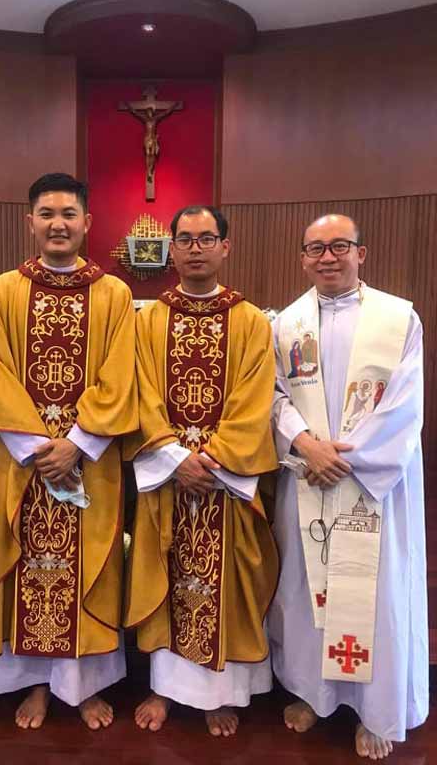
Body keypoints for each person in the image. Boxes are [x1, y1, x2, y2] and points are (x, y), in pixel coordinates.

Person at [0, 173, 138, 731]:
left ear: (87, 222)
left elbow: (121, 378)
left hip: (89, 461)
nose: (57, 224)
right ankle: (35, 684)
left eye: (68, 213)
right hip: (25, 461)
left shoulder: (114, 294)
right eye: (46, 213)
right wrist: (40, 449)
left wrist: (77, 445)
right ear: (30, 221)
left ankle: (81, 687)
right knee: (26, 567)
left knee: (88, 569)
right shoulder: (2, 292)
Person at [269, 214, 428, 760]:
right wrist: (304, 444)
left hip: (371, 484)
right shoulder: (285, 324)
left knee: (374, 595)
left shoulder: (398, 319)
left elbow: (405, 404)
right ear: (303, 258)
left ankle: (374, 711)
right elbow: (272, 396)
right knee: (308, 590)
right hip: (308, 476)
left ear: (362, 252)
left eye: (340, 246)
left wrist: (344, 458)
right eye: (316, 248)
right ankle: (315, 695)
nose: (328, 257)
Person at [124, 205, 278, 737]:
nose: (195, 248)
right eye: (185, 239)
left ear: (225, 247)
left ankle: (218, 694)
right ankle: (164, 688)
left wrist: (213, 459)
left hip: (222, 481)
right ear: (171, 249)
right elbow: (139, 391)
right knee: (165, 576)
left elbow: (256, 401)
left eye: (206, 238)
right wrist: (174, 458)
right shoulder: (148, 321)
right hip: (168, 477)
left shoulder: (251, 321)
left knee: (225, 582)